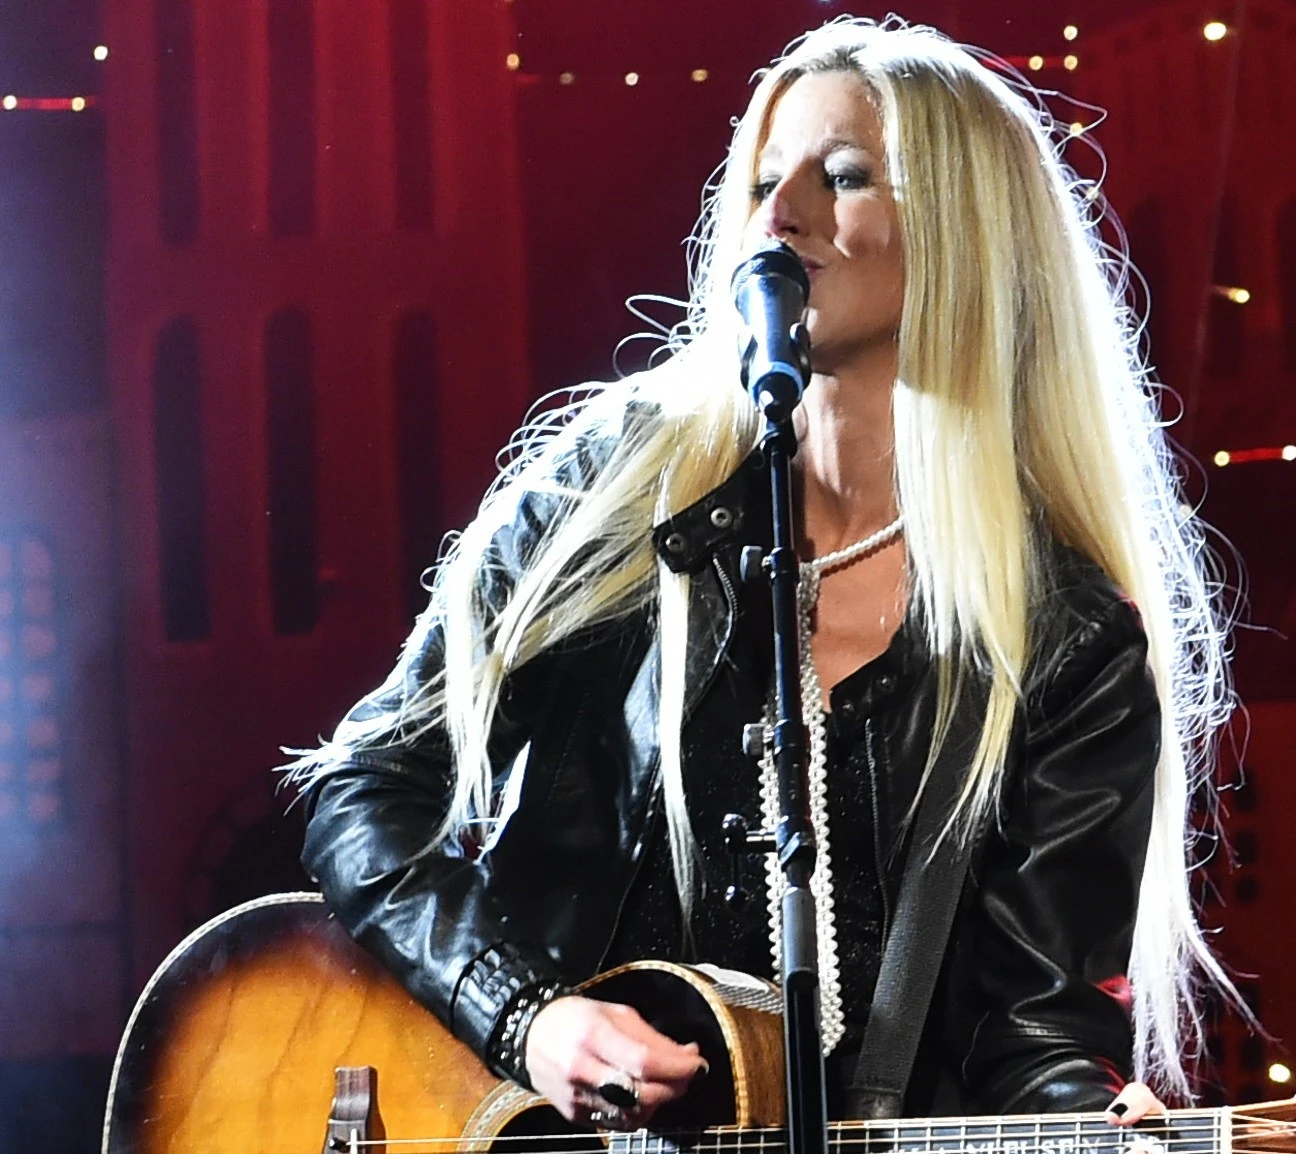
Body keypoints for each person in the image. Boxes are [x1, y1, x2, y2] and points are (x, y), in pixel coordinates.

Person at [289, 16, 1237, 1133]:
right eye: (761, 180)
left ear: (966, 232)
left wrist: (1088, 1125)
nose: (779, 213)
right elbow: (365, 787)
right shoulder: (615, 490)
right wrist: (527, 1016)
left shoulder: (1062, 637)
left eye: (843, 176)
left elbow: (1035, 1035)